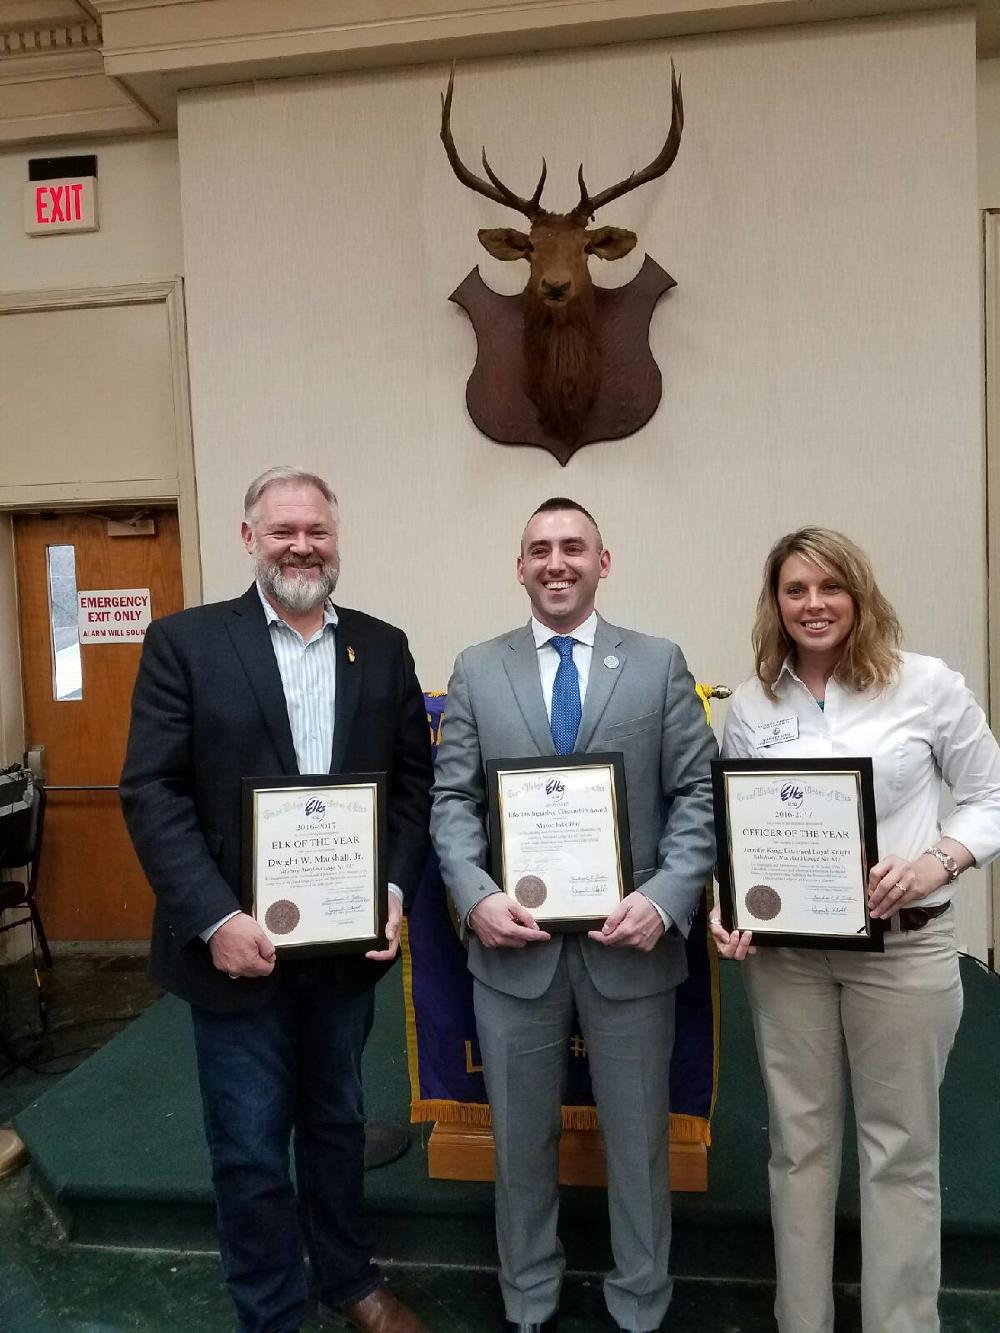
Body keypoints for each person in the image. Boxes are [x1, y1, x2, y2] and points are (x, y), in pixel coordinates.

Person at [120, 466, 433, 1333]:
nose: (303, 545)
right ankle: (272, 1313)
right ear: (249, 536)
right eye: (285, 529)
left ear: (337, 539)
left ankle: (349, 1279)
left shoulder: (383, 645)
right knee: (252, 1146)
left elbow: (412, 786)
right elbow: (152, 791)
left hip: (343, 952)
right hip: (235, 952)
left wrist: (395, 888)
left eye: (318, 531)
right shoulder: (186, 643)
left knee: (338, 1125)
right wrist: (216, 918)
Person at [430, 497, 717, 1333]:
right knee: (520, 1149)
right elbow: (453, 800)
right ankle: (529, 1300)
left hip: (631, 949)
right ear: (518, 566)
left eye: (573, 548)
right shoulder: (478, 669)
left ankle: (641, 1303)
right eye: (539, 549)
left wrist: (665, 900)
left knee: (639, 1148)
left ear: (604, 560)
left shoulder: (659, 663)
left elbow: (696, 793)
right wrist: (475, 893)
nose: (557, 562)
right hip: (513, 955)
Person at [711, 526, 1000, 1333]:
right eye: (795, 589)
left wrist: (938, 862)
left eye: (830, 587)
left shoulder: (926, 685)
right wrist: (726, 905)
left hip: (904, 950)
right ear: (776, 603)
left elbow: (991, 796)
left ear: (859, 594)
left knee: (899, 1151)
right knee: (798, 1150)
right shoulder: (751, 704)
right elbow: (739, 834)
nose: (813, 604)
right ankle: (800, 1321)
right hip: (789, 960)